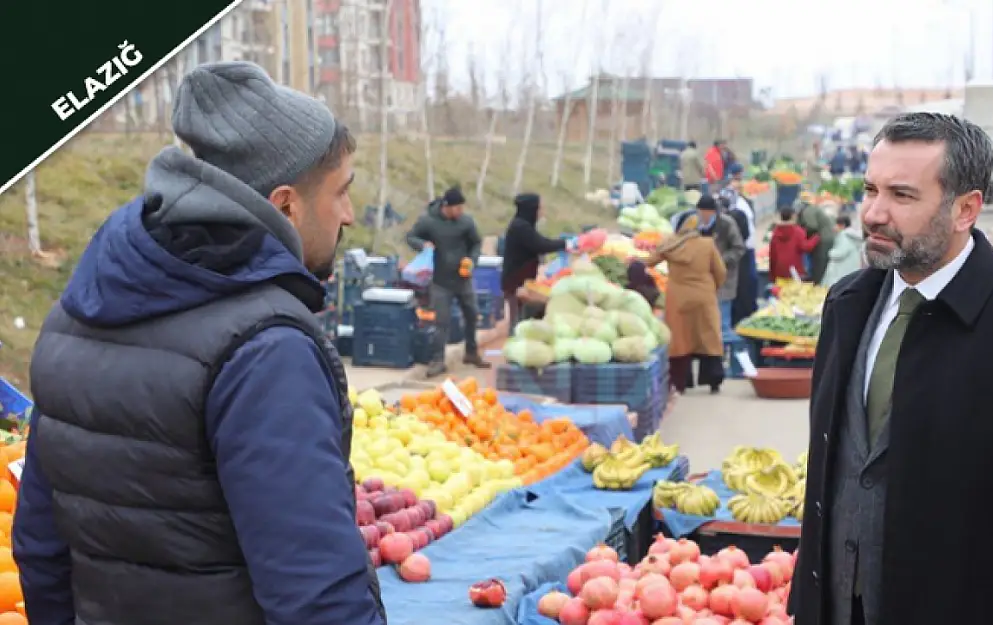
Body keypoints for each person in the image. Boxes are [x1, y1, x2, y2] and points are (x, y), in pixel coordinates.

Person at [13, 62, 386, 625]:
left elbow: (41, 546)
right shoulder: (267, 350)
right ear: (285, 204)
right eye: (341, 192)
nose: (349, 216)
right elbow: (317, 597)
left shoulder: (73, 316)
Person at [790, 112, 993, 625]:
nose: (873, 213)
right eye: (871, 190)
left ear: (966, 209)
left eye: (902, 195)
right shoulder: (847, 304)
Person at [406, 186, 490, 376]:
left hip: (463, 279)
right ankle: (437, 360)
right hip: (440, 281)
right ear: (447, 206)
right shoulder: (429, 222)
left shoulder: (466, 223)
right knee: (441, 322)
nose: (461, 212)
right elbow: (411, 236)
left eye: (462, 208)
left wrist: (472, 260)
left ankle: (471, 352)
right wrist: (422, 244)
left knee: (471, 314)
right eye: (457, 208)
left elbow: (476, 243)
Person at [646, 215, 727, 394]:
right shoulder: (707, 244)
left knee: (681, 339)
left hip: (678, 297)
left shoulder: (670, 246)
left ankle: (682, 382)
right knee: (709, 336)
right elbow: (720, 271)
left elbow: (649, 262)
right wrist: (713, 287)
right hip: (704, 295)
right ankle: (713, 380)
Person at [501, 192, 574, 331]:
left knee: (522, 319)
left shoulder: (524, 225)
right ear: (531, 209)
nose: (541, 212)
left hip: (522, 281)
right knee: (518, 322)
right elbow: (540, 245)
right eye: (539, 208)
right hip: (516, 283)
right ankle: (514, 348)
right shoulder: (520, 227)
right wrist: (565, 244)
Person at [719, 166, 760, 325]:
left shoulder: (739, 207)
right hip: (744, 251)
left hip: (744, 251)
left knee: (742, 289)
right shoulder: (739, 206)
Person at [768, 205, 821, 282]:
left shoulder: (776, 232)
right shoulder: (797, 231)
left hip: (779, 269)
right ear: (793, 216)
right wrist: (816, 238)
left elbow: (772, 254)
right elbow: (806, 247)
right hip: (794, 269)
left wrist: (772, 275)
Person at [797, 199, 838, 284]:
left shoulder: (808, 211)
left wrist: (801, 232)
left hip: (823, 239)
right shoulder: (811, 209)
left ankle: (818, 285)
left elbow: (812, 226)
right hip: (825, 237)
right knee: (819, 263)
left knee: (819, 263)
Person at [820, 214, 865, 287]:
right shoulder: (852, 237)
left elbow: (840, 253)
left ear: (842, 225)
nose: (834, 227)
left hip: (841, 271)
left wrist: (830, 253)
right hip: (849, 270)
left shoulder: (844, 236)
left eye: (836, 224)